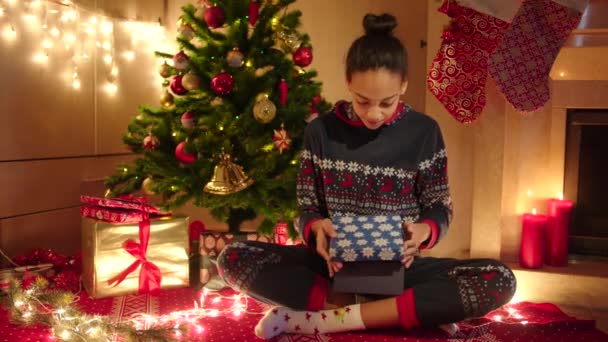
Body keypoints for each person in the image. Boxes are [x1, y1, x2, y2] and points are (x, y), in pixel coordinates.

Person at [217, 13, 516, 340]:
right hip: (334, 268)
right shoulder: (321, 131)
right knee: (233, 257)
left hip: (402, 270)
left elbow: (439, 207)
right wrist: (316, 228)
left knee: (500, 278)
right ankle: (396, 313)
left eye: (387, 102)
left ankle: (326, 317)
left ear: (403, 85)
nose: (374, 114)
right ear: (348, 83)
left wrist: (422, 231)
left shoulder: (424, 132)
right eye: (363, 101)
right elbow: (307, 208)